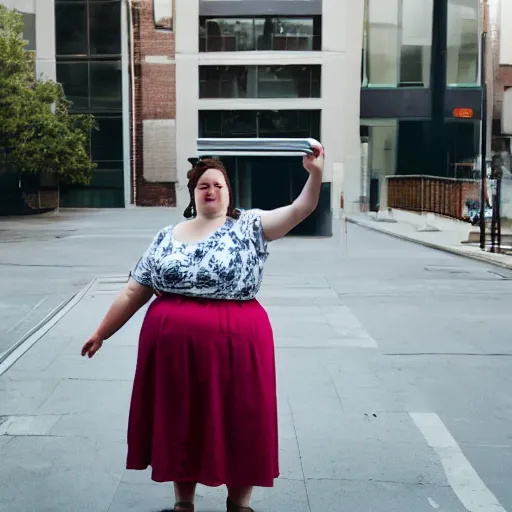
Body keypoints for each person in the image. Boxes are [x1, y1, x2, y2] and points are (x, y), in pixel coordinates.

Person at [81, 143, 324, 512]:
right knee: (181, 418)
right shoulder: (167, 235)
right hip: (173, 350)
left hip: (237, 343)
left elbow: (300, 209)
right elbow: (135, 290)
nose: (211, 191)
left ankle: (239, 504)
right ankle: (183, 503)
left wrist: (315, 173)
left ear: (229, 192)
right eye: (203, 186)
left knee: (241, 418)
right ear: (194, 195)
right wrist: (102, 331)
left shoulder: (250, 226)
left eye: (218, 185)